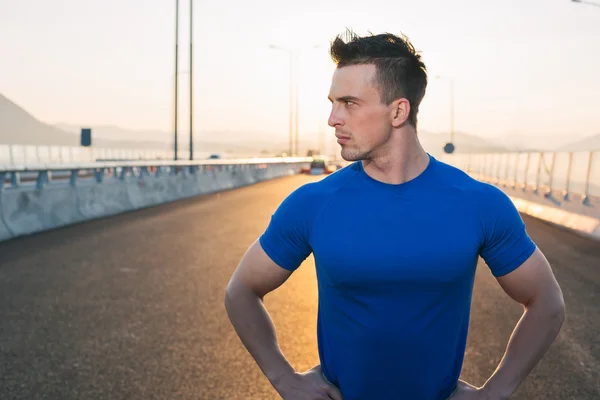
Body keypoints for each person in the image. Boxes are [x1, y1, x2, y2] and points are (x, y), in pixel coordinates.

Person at [224, 30, 565, 400]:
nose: (332, 118)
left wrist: (496, 391)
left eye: (349, 103)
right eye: (332, 102)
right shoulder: (313, 202)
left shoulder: (478, 203)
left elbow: (547, 302)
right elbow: (241, 290)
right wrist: (285, 380)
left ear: (399, 111)